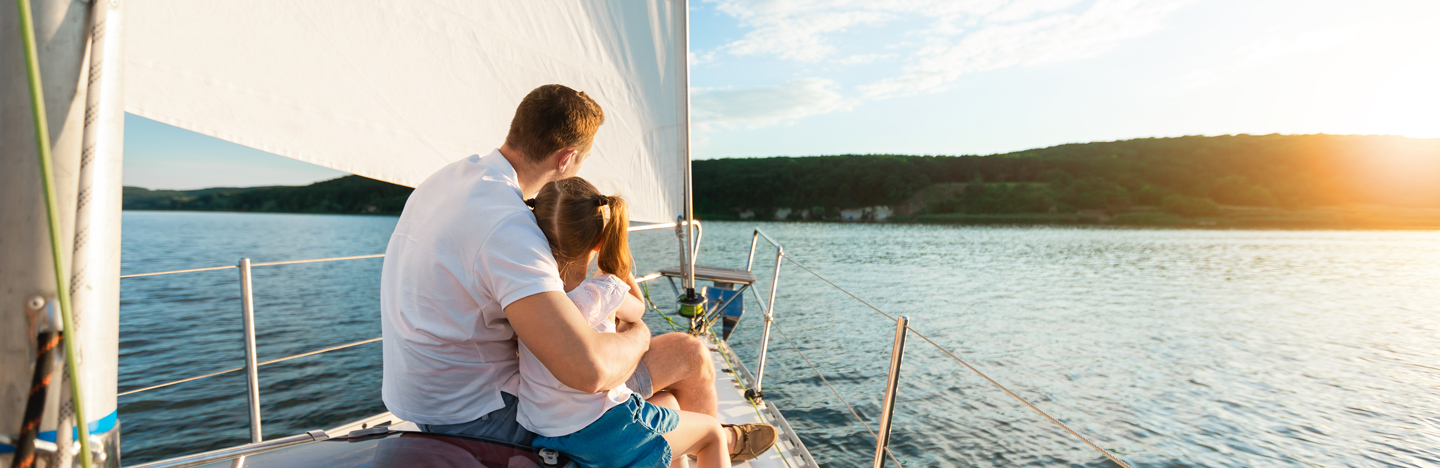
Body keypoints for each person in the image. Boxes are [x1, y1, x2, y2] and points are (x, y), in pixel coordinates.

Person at [378, 84, 775, 461]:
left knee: (668, 396)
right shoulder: (508, 226)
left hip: (427, 399)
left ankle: (704, 440)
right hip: (480, 418)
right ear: (566, 158)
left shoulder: (449, 179)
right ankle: (717, 441)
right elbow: (589, 372)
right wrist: (638, 333)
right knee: (690, 357)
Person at [519, 178, 729, 468]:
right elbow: (638, 309)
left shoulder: (531, 301)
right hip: (605, 430)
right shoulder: (602, 291)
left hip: (552, 433)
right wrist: (616, 263)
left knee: (669, 404)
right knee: (711, 431)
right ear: (597, 242)